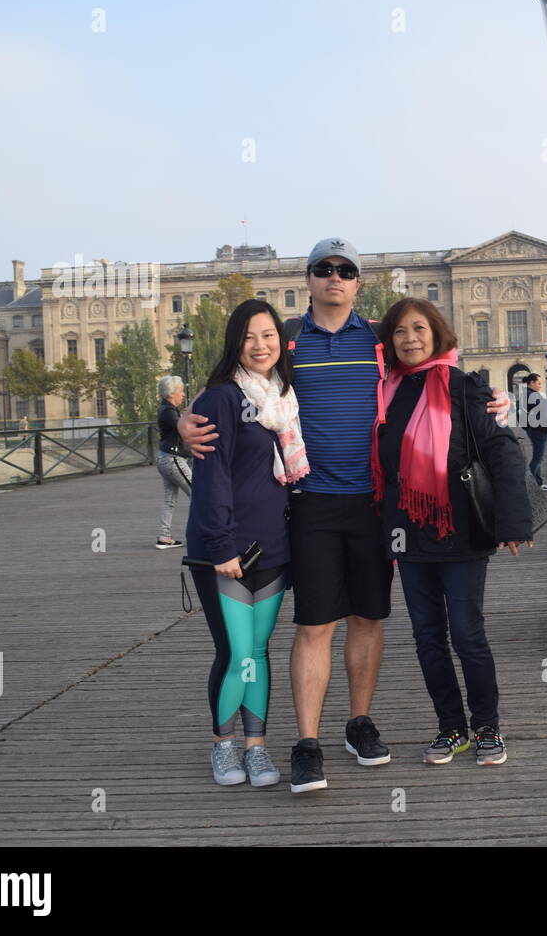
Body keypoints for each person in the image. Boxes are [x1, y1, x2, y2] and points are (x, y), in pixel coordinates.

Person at [178, 237, 510, 792]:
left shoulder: (379, 340)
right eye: (323, 269)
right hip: (308, 504)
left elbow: (439, 372)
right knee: (314, 625)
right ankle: (306, 743)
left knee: (368, 619)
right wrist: (178, 425)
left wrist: (494, 399)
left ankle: (358, 724)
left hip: (376, 504)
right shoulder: (285, 341)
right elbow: (235, 389)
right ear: (306, 279)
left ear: (358, 281)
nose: (334, 277)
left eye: (346, 269)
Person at [371, 298, 533, 765]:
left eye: (419, 329)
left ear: (437, 333)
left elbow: (503, 453)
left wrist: (513, 523)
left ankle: (488, 728)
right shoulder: (385, 391)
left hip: (460, 532)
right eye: (399, 331)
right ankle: (450, 727)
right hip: (409, 534)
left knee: (467, 634)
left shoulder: (464, 389)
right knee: (427, 637)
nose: (410, 339)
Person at [185, 299, 307, 788]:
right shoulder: (220, 399)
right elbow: (212, 479)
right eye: (250, 337)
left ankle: (256, 748)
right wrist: (221, 547)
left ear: (281, 341)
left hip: (274, 546)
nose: (261, 346)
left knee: (259, 649)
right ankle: (222, 745)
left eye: (269, 335)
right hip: (226, 549)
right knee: (237, 653)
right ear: (236, 343)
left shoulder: (285, 399)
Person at [155, 375, 192, 550]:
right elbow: (185, 430)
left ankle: (164, 536)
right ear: (171, 393)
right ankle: (199, 535)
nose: (183, 394)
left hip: (164, 457)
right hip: (172, 458)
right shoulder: (169, 412)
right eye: (180, 391)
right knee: (199, 495)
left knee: (169, 500)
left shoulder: (167, 409)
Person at [522, 373, 547, 492]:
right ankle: (529, 483)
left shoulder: (530, 394)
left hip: (537, 429)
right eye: (538, 383)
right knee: (538, 458)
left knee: (538, 456)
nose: (540, 385)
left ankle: (537, 482)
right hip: (538, 430)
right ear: (532, 383)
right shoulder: (530, 395)